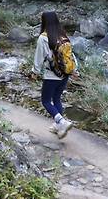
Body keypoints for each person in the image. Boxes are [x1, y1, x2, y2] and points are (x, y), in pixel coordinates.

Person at [33, 11, 76, 139]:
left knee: (46, 101)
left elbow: (39, 58)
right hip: (64, 74)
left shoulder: (43, 38)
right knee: (56, 98)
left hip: (51, 75)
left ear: (44, 21)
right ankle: (59, 128)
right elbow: (70, 55)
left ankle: (61, 122)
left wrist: (35, 72)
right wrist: (74, 70)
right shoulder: (63, 35)